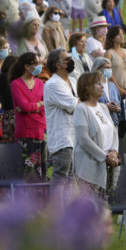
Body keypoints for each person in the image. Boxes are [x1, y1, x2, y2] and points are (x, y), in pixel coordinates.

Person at [73, 70, 120, 199]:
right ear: (87, 87)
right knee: (90, 207)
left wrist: (114, 152)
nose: (102, 86)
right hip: (89, 165)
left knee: (104, 207)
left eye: (101, 83)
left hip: (108, 162)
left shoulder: (103, 107)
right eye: (98, 83)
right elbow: (84, 139)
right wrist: (105, 156)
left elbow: (114, 133)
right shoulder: (81, 109)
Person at [9, 52, 47, 182]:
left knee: (42, 168)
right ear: (26, 66)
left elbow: (44, 105)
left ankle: (42, 200)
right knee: (27, 171)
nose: (39, 66)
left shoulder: (40, 84)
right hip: (25, 132)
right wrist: (37, 105)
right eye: (35, 63)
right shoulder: (16, 84)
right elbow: (23, 107)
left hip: (41, 131)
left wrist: (33, 107)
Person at [43, 48, 78, 183]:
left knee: (70, 178)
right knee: (61, 177)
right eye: (67, 59)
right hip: (62, 138)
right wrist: (78, 105)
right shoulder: (52, 84)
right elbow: (74, 105)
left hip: (74, 136)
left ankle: (68, 205)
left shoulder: (73, 81)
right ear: (58, 65)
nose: (71, 61)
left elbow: (80, 104)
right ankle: (57, 205)